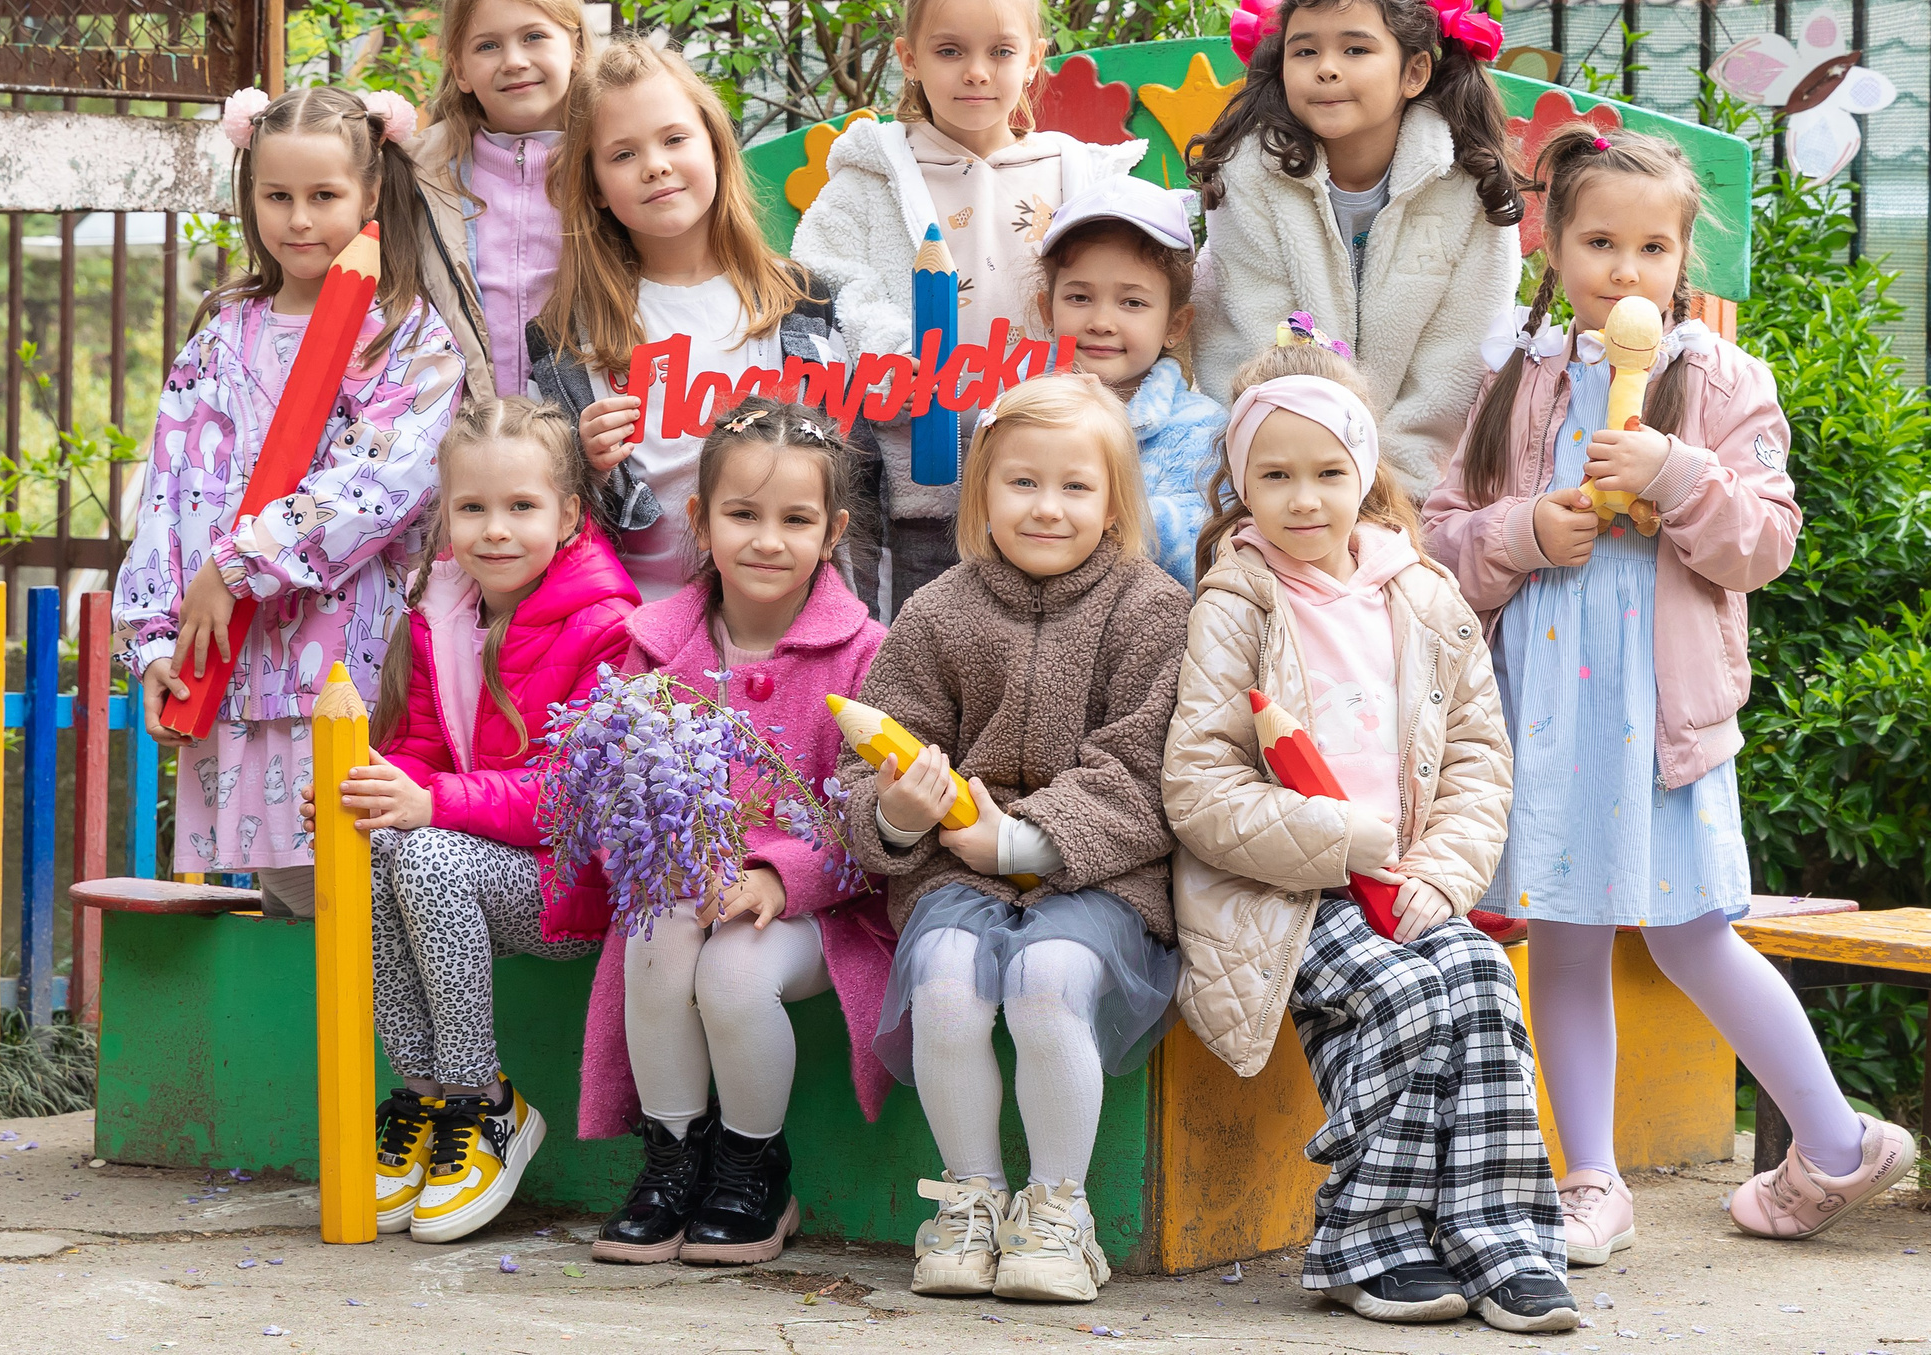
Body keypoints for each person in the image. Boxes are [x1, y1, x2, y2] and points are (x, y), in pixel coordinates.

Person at [1424, 125, 1916, 1262]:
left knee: (1695, 935)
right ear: (1552, 247)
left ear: (1683, 259)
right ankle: (1589, 1181)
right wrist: (1521, 532)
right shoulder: (1514, 381)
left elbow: (1765, 543)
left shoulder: (1724, 381)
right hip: (1540, 715)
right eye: (1599, 242)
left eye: (1652, 247)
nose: (1625, 270)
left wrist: (1676, 474)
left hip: (1657, 722)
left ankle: (1837, 1142)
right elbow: (1440, 540)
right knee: (1563, 940)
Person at [1159, 330, 1579, 1333]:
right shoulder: (1236, 602)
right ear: (1240, 481)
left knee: (1480, 981)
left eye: (1326, 473)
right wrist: (1341, 838)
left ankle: (1497, 1232)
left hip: (1409, 884)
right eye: (1274, 476)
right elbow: (1199, 787)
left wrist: (1441, 871)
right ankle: (1371, 1236)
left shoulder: (1423, 594)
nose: (1303, 499)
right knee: (1405, 998)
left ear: (1365, 470)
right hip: (1284, 898)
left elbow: (1477, 757)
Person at [842, 372, 1189, 1305]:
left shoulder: (1150, 611)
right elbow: (872, 756)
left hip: (1098, 876)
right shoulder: (938, 612)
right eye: (1022, 482)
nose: (1046, 506)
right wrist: (896, 815)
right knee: (946, 980)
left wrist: (1026, 841)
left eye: (1075, 486)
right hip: (956, 870)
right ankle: (972, 1198)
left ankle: (1059, 1210)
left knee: (1045, 981)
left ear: (1113, 502)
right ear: (983, 494)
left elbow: (1146, 770)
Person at [115, 85, 464, 914]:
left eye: (323, 196)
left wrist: (239, 564)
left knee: (354, 893)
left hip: (351, 661)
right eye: (277, 196)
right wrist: (155, 638)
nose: (299, 220)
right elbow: (168, 490)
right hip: (232, 666)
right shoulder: (220, 338)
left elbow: (379, 483)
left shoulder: (407, 338)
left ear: (370, 193)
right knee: (283, 894)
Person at [302, 395, 638, 1244]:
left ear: (568, 515)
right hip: (474, 860)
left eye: (521, 506)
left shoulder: (606, 625)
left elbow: (570, 798)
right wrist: (374, 789)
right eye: (472, 507)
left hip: (566, 889)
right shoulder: (441, 610)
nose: (495, 529)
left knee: (424, 855)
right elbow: (418, 747)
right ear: (444, 518)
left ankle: (483, 1101)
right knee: (371, 842)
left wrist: (432, 804)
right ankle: (422, 1098)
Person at [580, 398, 895, 1269]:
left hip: (817, 909)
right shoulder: (654, 646)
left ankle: (753, 1167)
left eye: (795, 519)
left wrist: (778, 876)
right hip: (686, 892)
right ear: (700, 520)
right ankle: (673, 1158)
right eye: (743, 515)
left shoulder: (864, 652)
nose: (767, 540)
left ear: (831, 532)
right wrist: (668, 859)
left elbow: (866, 817)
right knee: (655, 931)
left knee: (733, 971)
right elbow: (613, 795)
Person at [791, 0, 1148, 614]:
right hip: (927, 489)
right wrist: (892, 353)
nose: (977, 72)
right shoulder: (872, 179)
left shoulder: (1075, 175)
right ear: (910, 59)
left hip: (1057, 486)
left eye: (1001, 52)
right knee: (930, 640)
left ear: (1035, 58)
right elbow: (827, 281)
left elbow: (1140, 284)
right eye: (950, 51)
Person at [528, 36, 853, 603]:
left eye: (675, 139)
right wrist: (584, 463)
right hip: (633, 626)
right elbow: (540, 506)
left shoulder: (801, 304)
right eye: (623, 155)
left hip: (784, 620)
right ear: (595, 187)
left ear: (717, 148)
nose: (656, 165)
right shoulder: (567, 343)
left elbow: (849, 475)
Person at [1188, 0, 1525, 498]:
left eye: (1356, 50)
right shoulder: (1250, 175)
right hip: (1276, 472)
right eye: (1304, 52)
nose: (1326, 69)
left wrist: (1391, 491)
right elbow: (1252, 335)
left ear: (1414, 73)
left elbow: (1457, 362)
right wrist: (1310, 478)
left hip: (1421, 484)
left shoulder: (1469, 185)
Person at [410, 0, 593, 405]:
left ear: (574, 46)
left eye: (534, 36)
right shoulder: (420, 173)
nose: (514, 61)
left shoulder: (610, 159)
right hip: (457, 428)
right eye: (488, 46)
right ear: (461, 70)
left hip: (589, 424)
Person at [1033, 179, 1227, 592]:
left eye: (1132, 302)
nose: (1102, 322)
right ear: (1046, 311)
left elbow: (1208, 552)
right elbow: (986, 524)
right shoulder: (1017, 410)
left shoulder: (1203, 430)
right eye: (1079, 297)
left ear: (1175, 325)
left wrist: (1095, 514)